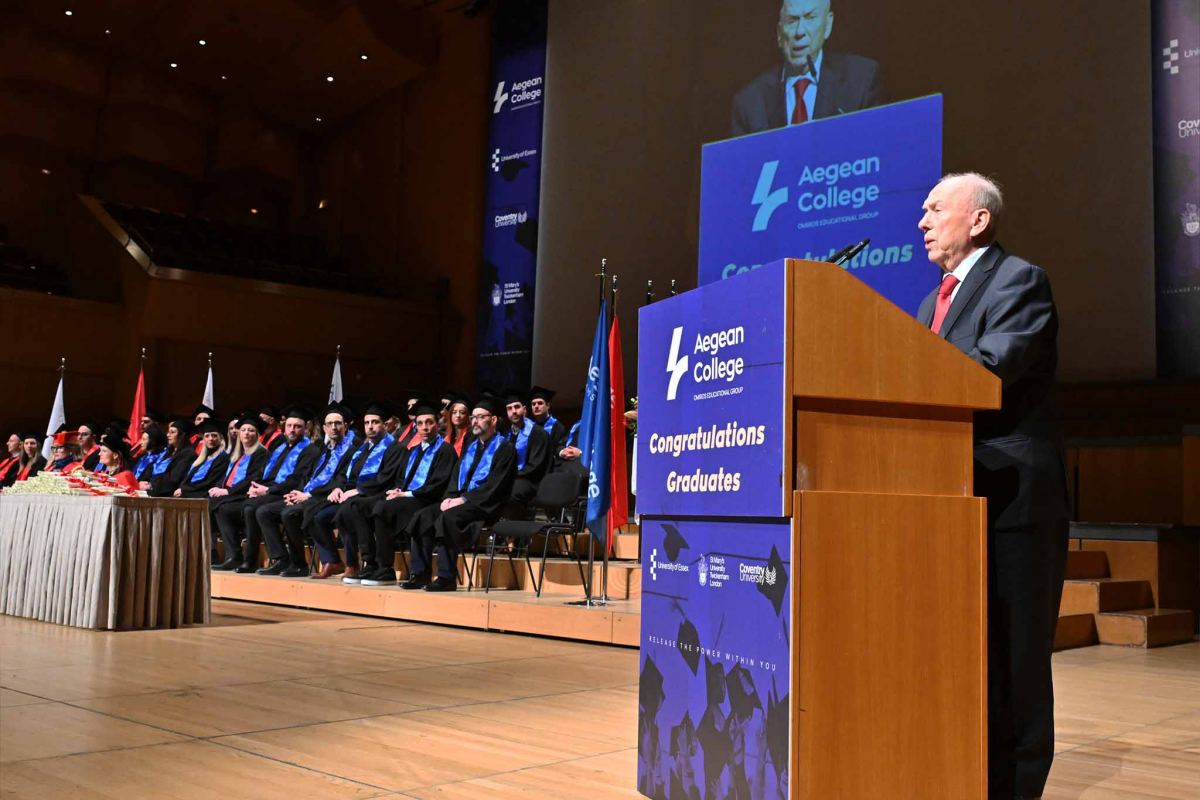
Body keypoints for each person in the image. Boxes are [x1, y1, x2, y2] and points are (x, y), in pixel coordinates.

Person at [917, 172, 1069, 800]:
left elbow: (988, 370)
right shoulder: (928, 303)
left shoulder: (1019, 281)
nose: (923, 221)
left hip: (1013, 501)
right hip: (951, 499)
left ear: (978, 220)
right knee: (968, 656)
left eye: (935, 209)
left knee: (1016, 658)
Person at [402, 396, 516, 591]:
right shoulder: (471, 446)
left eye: (481, 417)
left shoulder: (505, 448)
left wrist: (463, 499)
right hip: (462, 501)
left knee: (448, 518)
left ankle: (446, 578)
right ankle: (419, 574)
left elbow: (496, 485)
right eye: (473, 417)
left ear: (493, 420)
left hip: (486, 505)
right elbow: (456, 476)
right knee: (423, 515)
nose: (475, 421)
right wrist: (450, 497)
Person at [730, 0, 883, 137]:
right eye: (792, 20)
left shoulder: (861, 80)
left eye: (810, 18)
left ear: (828, 25)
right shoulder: (749, 103)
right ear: (779, 33)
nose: (800, 32)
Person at [361, 399, 458, 586]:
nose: (425, 428)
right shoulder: (413, 450)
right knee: (379, 508)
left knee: (386, 509)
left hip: (430, 499)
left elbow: (439, 484)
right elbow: (401, 478)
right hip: (409, 498)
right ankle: (383, 567)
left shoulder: (445, 450)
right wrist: (398, 489)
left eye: (429, 422)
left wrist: (406, 494)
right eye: (420, 423)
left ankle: (415, 573)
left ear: (437, 424)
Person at [308, 401, 401, 582]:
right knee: (318, 513)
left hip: (379, 495)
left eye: (375, 422)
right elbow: (348, 475)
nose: (370, 426)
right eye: (367, 423)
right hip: (357, 496)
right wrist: (340, 488)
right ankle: (356, 563)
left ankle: (365, 563)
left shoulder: (394, 448)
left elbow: (386, 479)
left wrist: (358, 490)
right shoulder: (363, 449)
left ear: (385, 424)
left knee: (350, 508)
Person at [278, 403, 359, 579]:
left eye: (338, 423)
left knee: (304, 513)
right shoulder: (324, 449)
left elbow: (341, 479)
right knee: (289, 512)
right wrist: (297, 493)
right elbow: (309, 476)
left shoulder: (352, 450)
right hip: (316, 495)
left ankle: (329, 561)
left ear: (345, 426)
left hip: (334, 496)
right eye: (330, 424)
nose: (334, 427)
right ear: (324, 428)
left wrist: (307, 495)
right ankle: (317, 561)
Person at [248, 405, 321, 576]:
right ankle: (279, 559)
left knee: (261, 510)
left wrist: (268, 490)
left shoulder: (310, 450)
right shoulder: (280, 448)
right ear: (284, 426)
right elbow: (266, 472)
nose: (292, 430)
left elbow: (297, 479)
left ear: (305, 428)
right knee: (252, 507)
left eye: (297, 426)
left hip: (291, 492)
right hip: (275, 491)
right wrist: (256, 487)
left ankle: (293, 562)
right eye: (289, 426)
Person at [210, 413, 271, 571]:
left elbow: (253, 478)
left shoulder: (261, 453)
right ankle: (229, 555)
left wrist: (226, 492)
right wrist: (217, 488)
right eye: (243, 430)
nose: (246, 433)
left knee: (222, 508)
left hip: (248, 496)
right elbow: (226, 476)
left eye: (251, 430)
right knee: (215, 505)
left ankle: (234, 556)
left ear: (257, 434)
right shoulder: (238, 455)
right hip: (234, 495)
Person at [502, 389, 551, 507]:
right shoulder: (506, 435)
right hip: (512, 477)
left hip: (531, 480)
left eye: (517, 407)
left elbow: (536, 465)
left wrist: (511, 475)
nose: (514, 411)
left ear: (524, 409)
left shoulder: (538, 433)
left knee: (511, 492)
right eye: (509, 408)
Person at [175, 418, 230, 498]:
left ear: (221, 438)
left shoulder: (223, 457)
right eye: (207, 436)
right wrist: (181, 488)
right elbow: (188, 477)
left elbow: (209, 482)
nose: (210, 439)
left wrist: (184, 490)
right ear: (203, 439)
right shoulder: (202, 458)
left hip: (205, 494)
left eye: (214, 435)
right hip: (192, 492)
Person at [144, 418, 195, 497]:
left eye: (172, 432)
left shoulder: (188, 454)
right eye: (168, 432)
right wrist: (144, 481)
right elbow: (152, 467)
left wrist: (151, 486)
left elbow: (174, 479)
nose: (168, 435)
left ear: (182, 435)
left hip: (168, 494)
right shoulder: (167, 452)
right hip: (154, 489)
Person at [529, 385, 568, 455]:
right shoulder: (529, 427)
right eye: (533, 404)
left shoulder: (557, 426)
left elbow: (559, 448)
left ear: (548, 406)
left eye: (540, 403)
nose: (536, 406)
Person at [442, 392, 473, 456]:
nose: (458, 415)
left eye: (462, 412)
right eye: (454, 412)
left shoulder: (471, 436)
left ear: (467, 416)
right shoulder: (447, 436)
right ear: (450, 415)